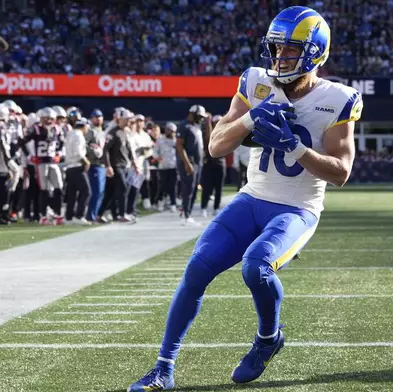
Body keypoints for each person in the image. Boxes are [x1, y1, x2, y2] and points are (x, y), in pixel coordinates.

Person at [128, 6, 362, 391]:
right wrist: (251, 119)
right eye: (276, 48)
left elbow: (341, 172)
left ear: (315, 52)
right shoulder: (255, 82)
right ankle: (163, 369)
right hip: (252, 198)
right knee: (197, 268)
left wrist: (296, 148)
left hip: (297, 207)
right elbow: (216, 146)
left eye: (290, 50)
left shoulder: (337, 99)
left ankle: (268, 340)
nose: (279, 57)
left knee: (256, 266)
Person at [176, 105, 208, 226]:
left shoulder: (196, 126)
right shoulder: (184, 126)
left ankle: (187, 214)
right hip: (189, 162)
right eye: (199, 116)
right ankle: (185, 215)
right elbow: (179, 145)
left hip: (198, 162)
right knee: (188, 189)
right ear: (192, 113)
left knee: (194, 189)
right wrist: (187, 163)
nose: (201, 119)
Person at [64, 118, 91, 225]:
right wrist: (86, 161)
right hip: (77, 166)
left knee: (72, 193)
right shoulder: (79, 135)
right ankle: (79, 216)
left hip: (69, 167)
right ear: (84, 126)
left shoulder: (70, 134)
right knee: (86, 191)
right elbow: (78, 152)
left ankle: (69, 217)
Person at [200, 114, 226, 218]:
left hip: (220, 163)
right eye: (216, 122)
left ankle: (216, 208)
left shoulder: (226, 132)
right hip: (209, 164)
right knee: (207, 187)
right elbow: (208, 141)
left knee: (219, 188)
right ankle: (203, 207)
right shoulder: (207, 133)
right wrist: (208, 124)